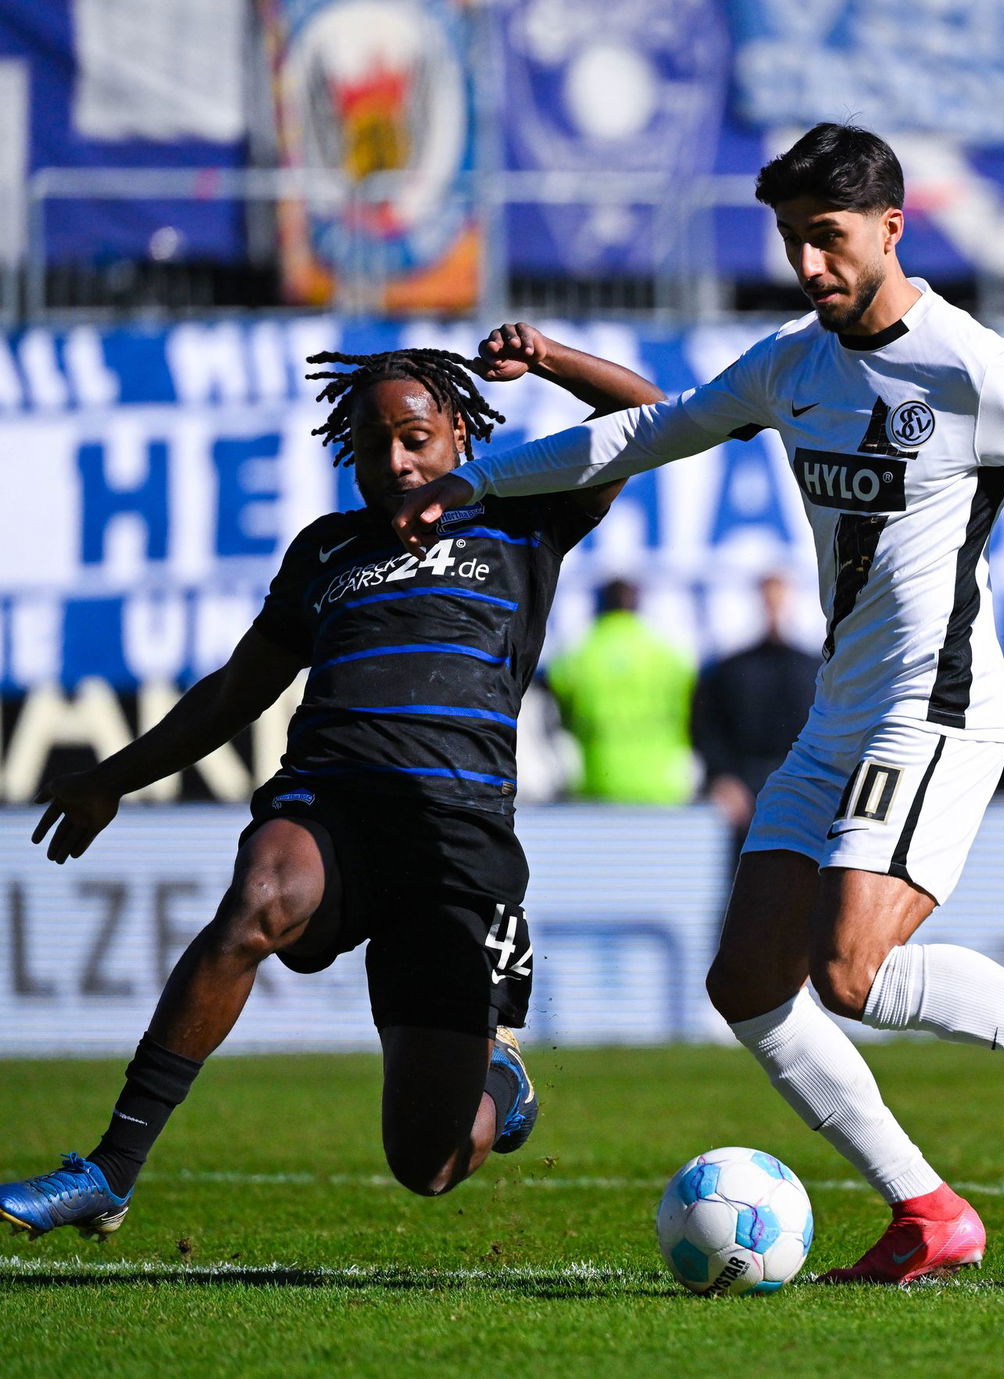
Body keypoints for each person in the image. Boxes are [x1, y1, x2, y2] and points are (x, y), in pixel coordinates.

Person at [395, 124, 1004, 1284]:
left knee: (850, 972)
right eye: (792, 240)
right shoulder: (789, 362)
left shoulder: (975, 368)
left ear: (892, 227)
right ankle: (927, 1208)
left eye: (829, 238)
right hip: (837, 712)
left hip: (938, 703)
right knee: (748, 980)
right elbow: (650, 433)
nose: (809, 265)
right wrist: (475, 479)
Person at [1, 341, 665, 1241]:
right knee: (260, 898)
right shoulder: (325, 550)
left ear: (459, 435)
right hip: (332, 803)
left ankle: (499, 1078)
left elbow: (652, 413)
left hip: (453, 838)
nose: (394, 460)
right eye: (372, 443)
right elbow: (238, 692)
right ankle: (109, 1170)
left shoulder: (522, 518)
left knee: (429, 1161)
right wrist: (109, 780)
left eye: (415, 437)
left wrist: (545, 357)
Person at [692, 573, 822, 861]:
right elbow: (706, 729)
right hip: (746, 784)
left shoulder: (814, 668)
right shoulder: (730, 669)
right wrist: (722, 778)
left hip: (802, 783)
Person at [547, 577, 697, 804]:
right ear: (638, 604)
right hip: (661, 785)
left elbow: (558, 713)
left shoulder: (577, 656)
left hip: (598, 781)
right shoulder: (668, 656)